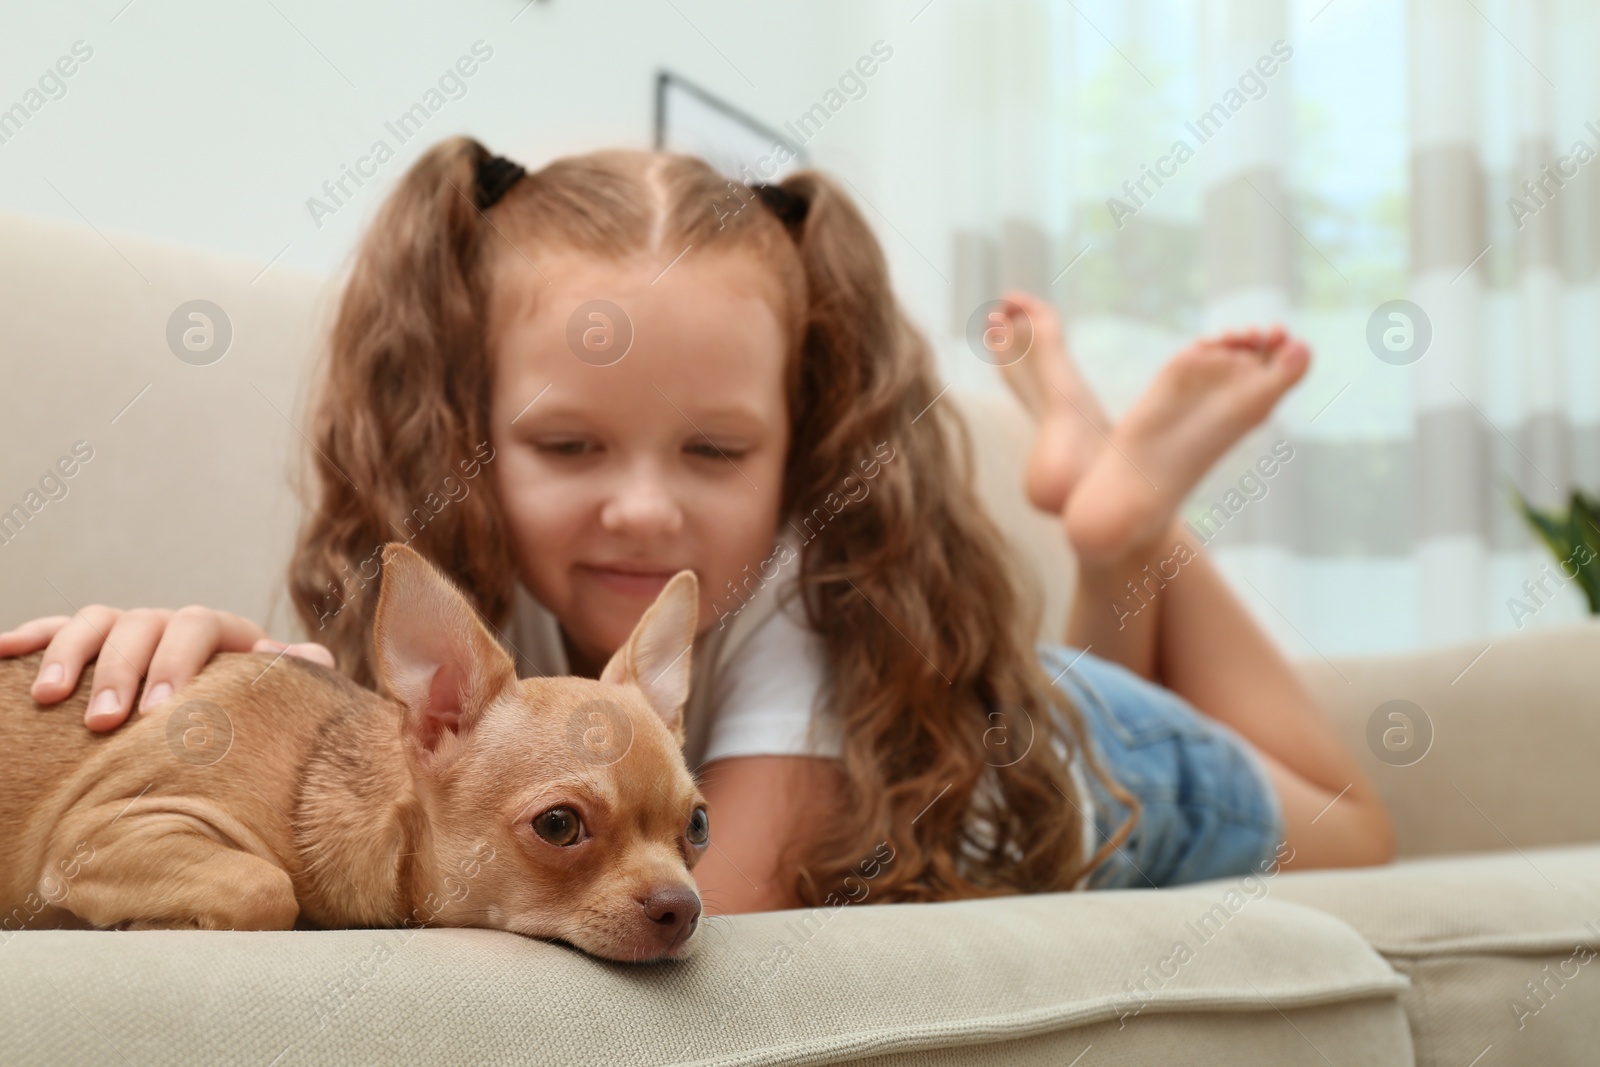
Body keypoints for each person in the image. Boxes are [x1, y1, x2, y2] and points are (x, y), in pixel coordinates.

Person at [0, 137, 1392, 916]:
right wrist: (190, 670)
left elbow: (719, 899)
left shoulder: (799, 601)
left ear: (803, 451)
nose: (649, 508)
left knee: (1360, 827)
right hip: (1012, 730)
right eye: (566, 444)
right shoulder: (467, 605)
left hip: (1112, 764)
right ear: (465, 440)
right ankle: (1106, 514)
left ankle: (1132, 529)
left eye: (717, 451)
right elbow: (353, 764)